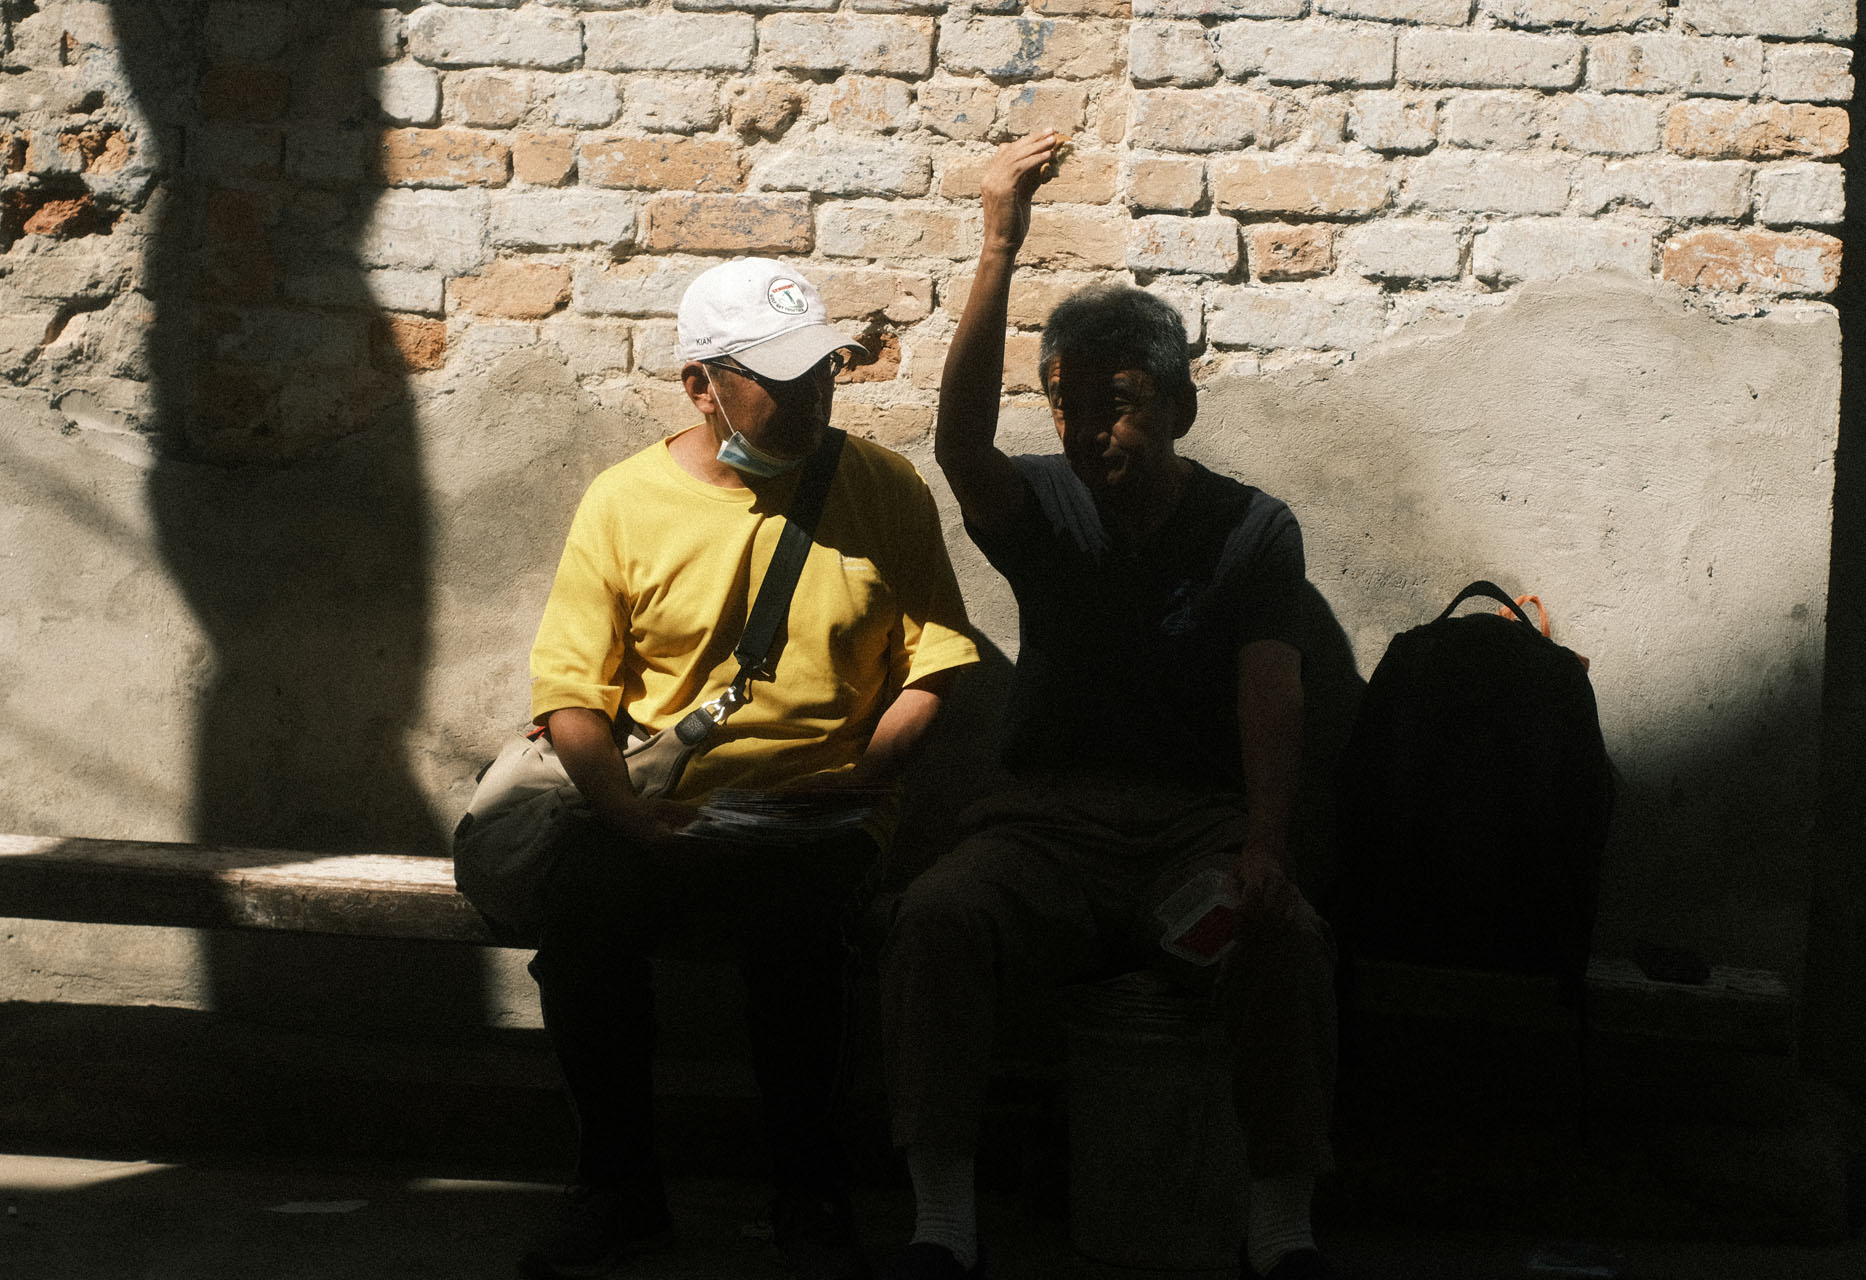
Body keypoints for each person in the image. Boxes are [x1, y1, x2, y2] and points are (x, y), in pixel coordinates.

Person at [879, 132, 1339, 1280]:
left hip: (1195, 826)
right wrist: (998, 242)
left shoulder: (1252, 528)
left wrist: (1267, 845)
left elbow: (1270, 684)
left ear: (1179, 404)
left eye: (1120, 404)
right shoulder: (1042, 506)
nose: (1090, 430)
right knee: (937, 916)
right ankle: (943, 1219)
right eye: (1066, 404)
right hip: (1047, 826)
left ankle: (1283, 1227)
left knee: (1288, 939)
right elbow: (958, 443)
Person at [518, 257, 980, 1280]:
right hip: (662, 810)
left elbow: (939, 663)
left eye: (822, 374)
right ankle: (619, 1187)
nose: (813, 398)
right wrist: (629, 821)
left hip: (824, 811)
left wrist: (866, 773)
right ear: (701, 383)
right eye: (781, 378)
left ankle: (809, 1193)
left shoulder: (882, 486)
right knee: (584, 919)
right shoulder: (624, 503)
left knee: (800, 936)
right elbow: (571, 698)